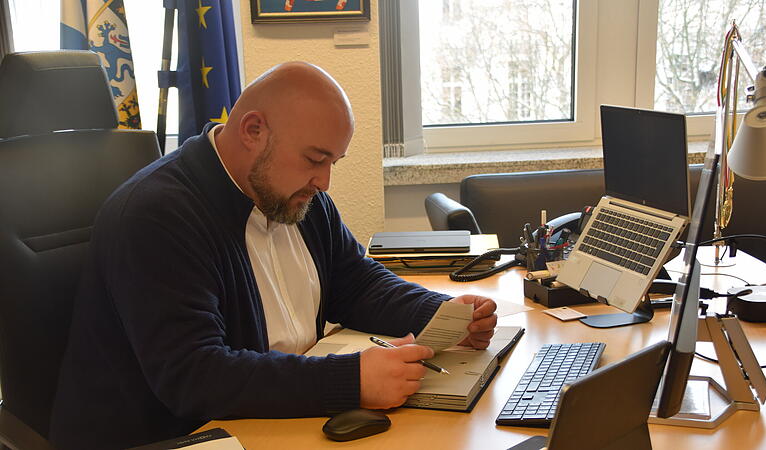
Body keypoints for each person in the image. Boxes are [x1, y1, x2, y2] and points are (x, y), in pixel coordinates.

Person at [49, 61, 497, 448]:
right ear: (253, 131)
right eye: (314, 159)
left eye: (332, 163)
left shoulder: (296, 196)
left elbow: (354, 282)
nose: (324, 182)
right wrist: (352, 381)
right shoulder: (157, 216)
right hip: (170, 436)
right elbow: (195, 377)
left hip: (264, 420)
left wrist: (440, 315)